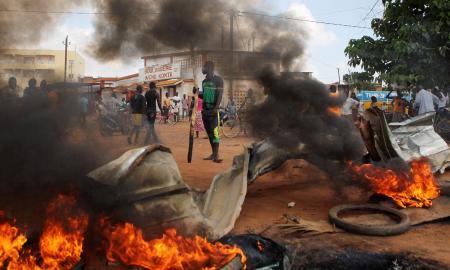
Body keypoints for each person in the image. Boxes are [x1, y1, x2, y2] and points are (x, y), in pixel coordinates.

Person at [200, 61, 223, 163]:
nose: (202, 69)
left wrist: (216, 108)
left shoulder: (218, 80)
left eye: (204, 67)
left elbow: (220, 94)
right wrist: (198, 93)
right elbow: (204, 95)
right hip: (205, 111)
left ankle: (216, 154)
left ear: (209, 68)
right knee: (209, 134)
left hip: (213, 111)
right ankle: (213, 153)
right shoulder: (203, 82)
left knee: (215, 134)